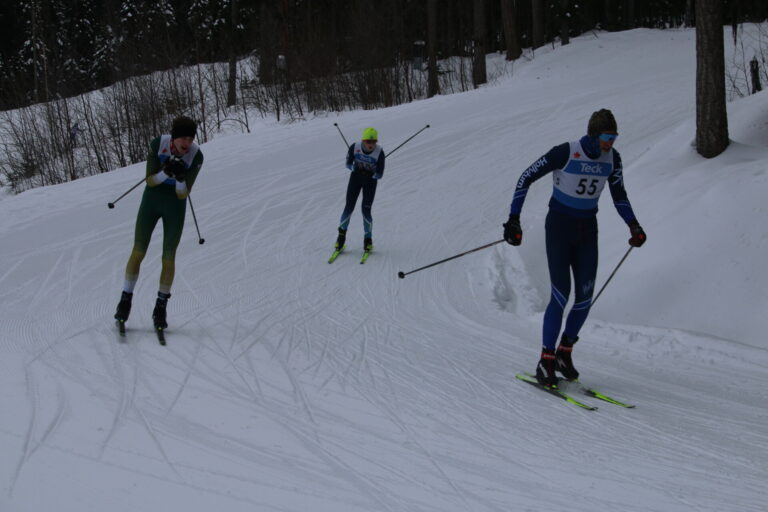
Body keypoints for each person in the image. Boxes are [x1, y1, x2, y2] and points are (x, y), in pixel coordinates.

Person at [503, 109, 647, 388]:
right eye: (606, 137)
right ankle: (545, 359)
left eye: (614, 137)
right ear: (593, 136)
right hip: (559, 227)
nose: (610, 143)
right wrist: (513, 219)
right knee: (561, 294)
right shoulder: (566, 151)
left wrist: (634, 226)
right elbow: (525, 178)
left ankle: (564, 353)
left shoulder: (613, 159)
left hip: (586, 231)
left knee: (584, 297)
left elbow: (619, 196)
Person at [114, 116, 204, 330]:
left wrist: (181, 178)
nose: (187, 143)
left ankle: (161, 307)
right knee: (139, 250)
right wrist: (166, 172)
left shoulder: (196, 156)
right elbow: (150, 181)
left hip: (175, 205)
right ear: (173, 138)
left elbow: (183, 196)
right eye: (183, 137)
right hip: (152, 200)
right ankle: (125, 300)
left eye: (190, 138)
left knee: (168, 257)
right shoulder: (158, 144)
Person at [334, 127, 386, 252]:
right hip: (355, 179)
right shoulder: (354, 147)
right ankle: (341, 238)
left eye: (373, 142)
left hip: (370, 183)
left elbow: (380, 174)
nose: (371, 144)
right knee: (349, 207)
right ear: (363, 140)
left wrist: (372, 174)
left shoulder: (379, 152)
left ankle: (368, 240)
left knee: (366, 210)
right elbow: (348, 164)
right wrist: (354, 168)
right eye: (368, 141)